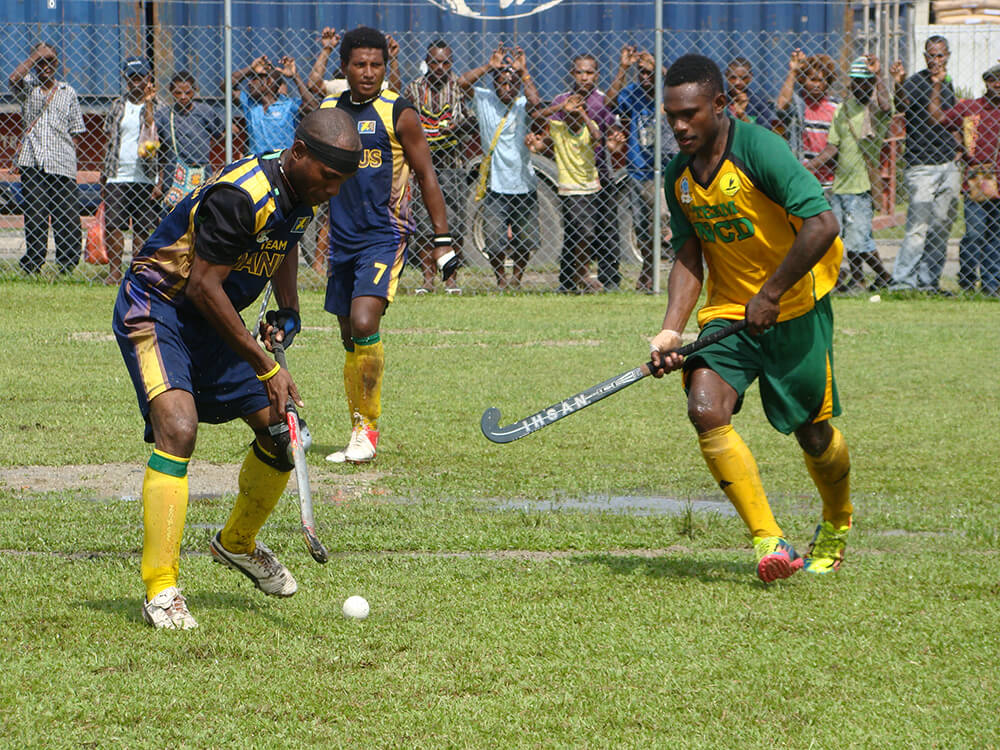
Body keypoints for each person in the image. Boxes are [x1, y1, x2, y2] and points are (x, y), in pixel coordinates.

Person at [112, 108, 362, 630]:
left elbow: (284, 243)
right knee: (178, 428)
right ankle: (161, 588)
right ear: (298, 154)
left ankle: (237, 544)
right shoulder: (241, 195)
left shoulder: (301, 190)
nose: (334, 191)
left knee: (283, 433)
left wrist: (287, 310)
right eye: (330, 177)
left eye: (343, 180)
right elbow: (203, 285)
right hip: (160, 308)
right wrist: (267, 366)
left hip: (212, 317)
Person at [649, 54, 851, 583]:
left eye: (690, 113)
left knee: (812, 433)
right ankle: (769, 539)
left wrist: (772, 293)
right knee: (705, 408)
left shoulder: (760, 149)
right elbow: (690, 253)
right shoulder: (680, 176)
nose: (679, 125)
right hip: (728, 316)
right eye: (671, 115)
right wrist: (672, 328)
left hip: (795, 309)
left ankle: (836, 522)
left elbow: (822, 224)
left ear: (720, 104)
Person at [320, 27, 459, 465]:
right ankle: (356, 425)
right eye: (359, 65)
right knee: (348, 335)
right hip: (341, 239)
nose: (367, 72)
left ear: (386, 67)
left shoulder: (399, 112)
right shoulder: (328, 111)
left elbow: (426, 175)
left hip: (384, 236)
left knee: (364, 321)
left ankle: (367, 430)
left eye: (376, 65)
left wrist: (442, 240)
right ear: (344, 67)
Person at [459, 44, 543, 290]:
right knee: (494, 239)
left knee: (525, 239)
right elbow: (460, 84)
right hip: (495, 183)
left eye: (512, 82)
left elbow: (537, 106)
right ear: (494, 82)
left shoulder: (522, 103)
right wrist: (489, 66)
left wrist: (524, 71)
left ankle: (516, 280)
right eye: (502, 82)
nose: (507, 87)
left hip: (523, 182)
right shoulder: (484, 99)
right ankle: (501, 280)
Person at [540, 53, 623, 291]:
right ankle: (568, 281)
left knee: (607, 227)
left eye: (589, 72)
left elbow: (611, 126)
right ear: (572, 74)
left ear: (597, 75)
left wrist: (615, 136)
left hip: (600, 172)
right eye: (580, 72)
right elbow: (548, 128)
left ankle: (610, 280)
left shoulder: (602, 100)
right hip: (573, 175)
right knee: (575, 231)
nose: (584, 77)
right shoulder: (562, 100)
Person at [812, 55, 894, 292]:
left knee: (859, 237)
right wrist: (808, 167)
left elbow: (887, 106)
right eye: (856, 81)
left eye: (866, 81)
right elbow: (832, 147)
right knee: (843, 238)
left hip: (862, 185)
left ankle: (883, 276)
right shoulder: (843, 109)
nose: (861, 86)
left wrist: (878, 76)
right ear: (850, 83)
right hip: (840, 185)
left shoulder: (875, 110)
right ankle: (858, 279)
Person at [889, 36, 961, 293]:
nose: (935, 60)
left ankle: (928, 281)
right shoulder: (918, 82)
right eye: (931, 55)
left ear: (948, 56)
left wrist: (959, 149)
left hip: (947, 163)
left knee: (942, 225)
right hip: (921, 166)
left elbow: (949, 120)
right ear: (924, 56)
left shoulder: (948, 84)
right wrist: (897, 84)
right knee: (918, 227)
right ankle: (902, 282)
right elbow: (902, 104)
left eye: (940, 55)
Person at [8, 42, 85, 276]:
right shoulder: (28, 87)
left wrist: (70, 156)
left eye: (50, 61)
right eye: (41, 61)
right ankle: (33, 264)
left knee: (67, 217)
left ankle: (67, 266)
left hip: (62, 162)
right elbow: (13, 79)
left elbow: (77, 130)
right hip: (33, 161)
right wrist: (34, 57)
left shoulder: (67, 92)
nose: (45, 66)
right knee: (35, 217)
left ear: (57, 63)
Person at [605, 48, 678, 292]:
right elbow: (609, 103)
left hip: (665, 171)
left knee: (665, 221)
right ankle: (648, 270)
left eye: (650, 73)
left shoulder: (668, 94)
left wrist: (661, 69)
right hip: (638, 169)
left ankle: (668, 275)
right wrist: (623, 69)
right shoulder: (634, 94)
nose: (645, 78)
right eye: (642, 73)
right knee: (642, 227)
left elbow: (683, 85)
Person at [928, 61, 1000, 296]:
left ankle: (992, 285)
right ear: (985, 82)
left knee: (996, 236)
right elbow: (937, 118)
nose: (996, 83)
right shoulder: (971, 107)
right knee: (976, 232)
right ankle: (968, 279)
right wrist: (937, 86)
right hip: (979, 178)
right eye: (991, 79)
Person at [404, 40, 469, 294]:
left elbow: (469, 121)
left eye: (445, 62)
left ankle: (451, 278)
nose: (440, 67)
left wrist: (455, 128)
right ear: (427, 63)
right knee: (422, 220)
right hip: (423, 166)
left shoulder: (459, 87)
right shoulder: (414, 89)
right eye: (435, 62)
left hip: (452, 164)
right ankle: (427, 278)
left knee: (456, 222)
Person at [99, 57, 166, 285]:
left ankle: (136, 271)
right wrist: (104, 172)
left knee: (142, 227)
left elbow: (161, 142)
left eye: (140, 77)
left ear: (149, 78)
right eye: (132, 77)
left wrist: (160, 180)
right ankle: (115, 272)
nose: (136, 82)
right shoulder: (118, 105)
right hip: (118, 173)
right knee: (115, 224)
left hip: (146, 175)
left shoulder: (159, 106)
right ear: (126, 79)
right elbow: (109, 139)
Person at [528, 92, 604, 293]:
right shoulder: (558, 128)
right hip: (570, 187)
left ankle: (570, 279)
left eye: (578, 113)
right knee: (584, 232)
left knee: (578, 235)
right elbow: (536, 116)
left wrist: (582, 114)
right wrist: (560, 109)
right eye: (570, 115)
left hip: (590, 185)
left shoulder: (590, 128)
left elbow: (598, 138)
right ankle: (582, 273)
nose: (573, 119)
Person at [155, 71, 224, 209]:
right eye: (178, 93)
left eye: (188, 93)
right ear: (171, 92)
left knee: (201, 211)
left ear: (195, 90)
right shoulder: (164, 115)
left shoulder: (205, 112)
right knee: (174, 214)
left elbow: (222, 133)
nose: (183, 97)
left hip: (201, 173)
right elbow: (155, 141)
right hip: (174, 175)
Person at [228, 54, 318, 155]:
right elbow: (226, 86)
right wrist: (251, 68)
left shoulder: (288, 105)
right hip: (256, 163)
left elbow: (313, 107)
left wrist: (295, 76)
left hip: (280, 162)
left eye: (255, 79)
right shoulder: (249, 103)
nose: (249, 83)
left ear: (269, 82)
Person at [776, 51, 839, 191]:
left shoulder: (835, 107)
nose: (816, 85)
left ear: (827, 82)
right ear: (803, 80)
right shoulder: (798, 104)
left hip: (829, 179)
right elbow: (781, 106)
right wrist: (793, 71)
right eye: (812, 80)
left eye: (821, 80)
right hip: (801, 176)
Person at [724, 56, 774, 127]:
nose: (737, 82)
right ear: (726, 76)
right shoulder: (721, 100)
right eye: (733, 77)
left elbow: (762, 132)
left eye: (743, 78)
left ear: (750, 77)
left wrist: (742, 115)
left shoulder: (758, 103)